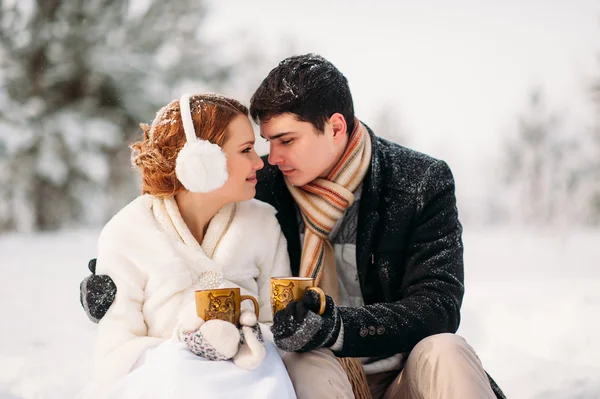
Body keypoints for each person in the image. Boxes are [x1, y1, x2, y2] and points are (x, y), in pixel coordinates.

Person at [80, 55, 505, 399]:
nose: (271, 157)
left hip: (401, 372)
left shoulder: (419, 182)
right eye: (265, 144)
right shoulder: (260, 187)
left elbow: (439, 306)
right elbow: (178, 206)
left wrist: (340, 328)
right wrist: (112, 283)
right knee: (304, 357)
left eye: (287, 140)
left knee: (446, 349)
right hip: (314, 375)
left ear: (335, 127)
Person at [77, 93, 296, 399]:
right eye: (246, 150)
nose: (259, 163)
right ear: (202, 161)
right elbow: (115, 357)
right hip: (162, 384)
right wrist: (189, 345)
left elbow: (281, 328)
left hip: (252, 378)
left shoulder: (263, 223)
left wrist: (244, 337)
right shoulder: (126, 233)